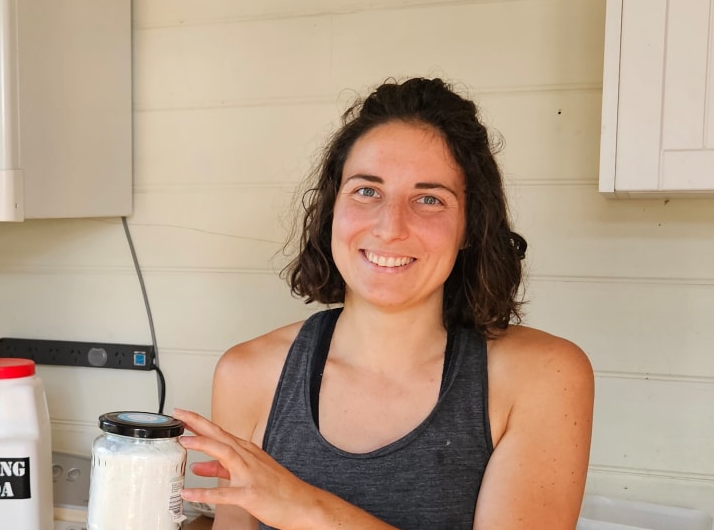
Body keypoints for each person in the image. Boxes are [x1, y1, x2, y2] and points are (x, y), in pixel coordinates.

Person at [174, 77, 595, 529]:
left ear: (470, 227)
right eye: (367, 191)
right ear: (333, 207)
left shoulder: (541, 375)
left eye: (429, 198)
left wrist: (305, 508)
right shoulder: (247, 374)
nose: (391, 226)